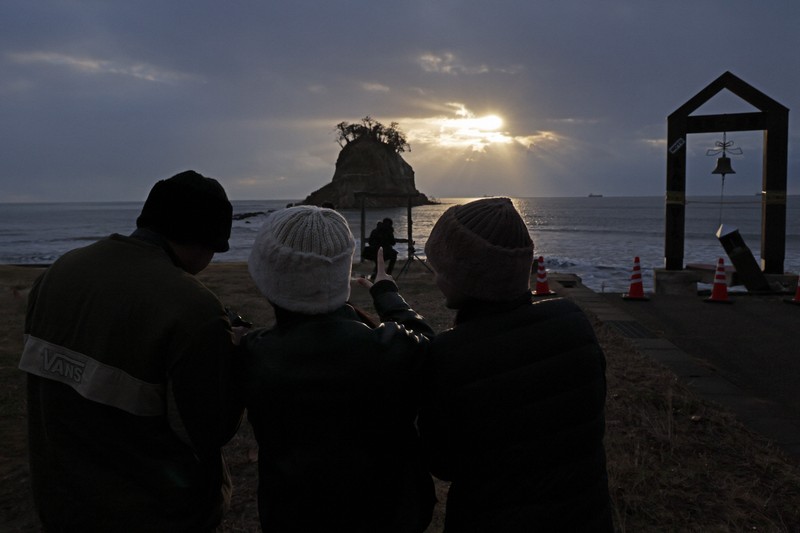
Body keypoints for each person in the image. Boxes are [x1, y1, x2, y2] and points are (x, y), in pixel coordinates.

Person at [19, 170, 244, 532]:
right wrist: (229, 354)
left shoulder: (59, 271)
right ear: (207, 242)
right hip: (152, 513)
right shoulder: (192, 307)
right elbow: (210, 429)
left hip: (61, 502)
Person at [418, 197, 614, 532]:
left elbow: (443, 463)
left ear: (467, 277)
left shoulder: (450, 353)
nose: (435, 278)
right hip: (585, 515)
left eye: (440, 269)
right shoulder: (572, 321)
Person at [238, 205, 435, 532]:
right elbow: (429, 342)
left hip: (294, 517)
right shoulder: (390, 349)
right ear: (339, 274)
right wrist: (386, 292)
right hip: (390, 515)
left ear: (266, 279)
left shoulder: (253, 355)